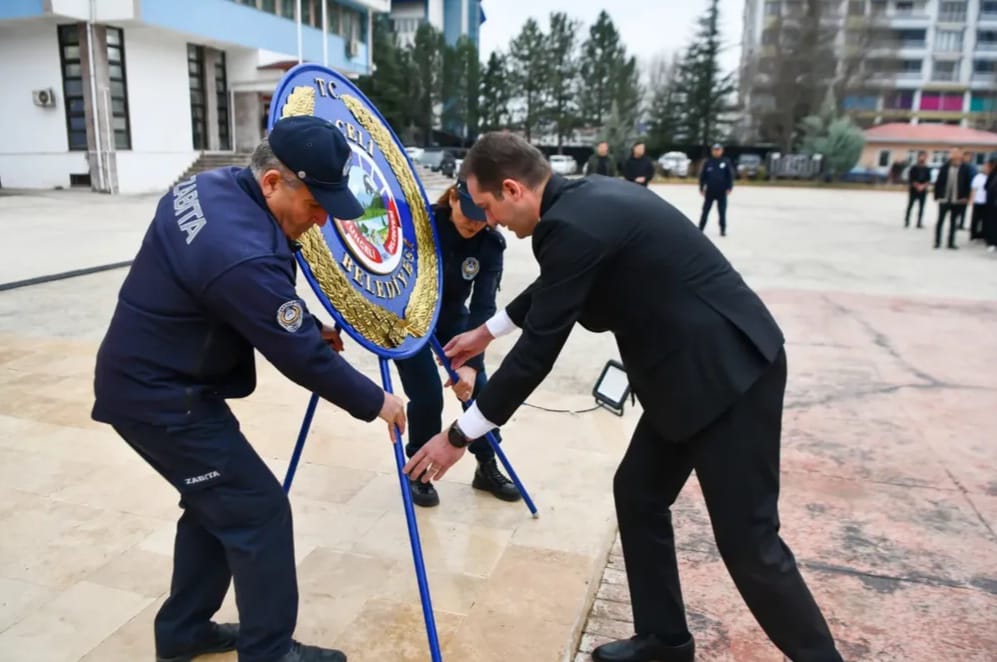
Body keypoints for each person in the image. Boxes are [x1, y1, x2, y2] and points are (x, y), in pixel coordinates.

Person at [402, 132, 844, 662]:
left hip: (729, 376)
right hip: (682, 378)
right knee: (638, 491)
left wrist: (460, 436)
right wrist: (486, 332)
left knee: (751, 545)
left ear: (513, 189)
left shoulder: (571, 225)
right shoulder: (584, 200)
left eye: (488, 205)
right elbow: (559, 283)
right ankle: (664, 640)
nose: (489, 219)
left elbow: (537, 356)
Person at [91, 115, 407, 662]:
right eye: (314, 206)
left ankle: (184, 632)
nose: (320, 220)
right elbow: (298, 356)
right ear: (271, 182)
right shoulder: (243, 253)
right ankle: (270, 652)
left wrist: (304, 324)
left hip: (153, 380)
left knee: (215, 506)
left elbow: (251, 303)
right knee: (258, 513)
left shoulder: (208, 188)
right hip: (161, 400)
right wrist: (378, 402)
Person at [394, 179, 520, 507]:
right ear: (453, 197)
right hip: (409, 319)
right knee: (427, 393)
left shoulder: (490, 244)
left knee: (480, 389)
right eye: (469, 212)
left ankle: (486, 464)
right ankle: (418, 470)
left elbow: (484, 305)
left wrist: (470, 363)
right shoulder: (420, 224)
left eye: (483, 216)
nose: (475, 222)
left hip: (453, 320)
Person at [932, 147, 973, 250]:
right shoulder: (944, 167)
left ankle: (951, 242)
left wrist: (966, 197)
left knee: (953, 222)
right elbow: (938, 183)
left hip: (957, 200)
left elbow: (968, 184)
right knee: (940, 221)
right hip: (944, 199)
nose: (956, 158)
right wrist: (937, 196)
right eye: (954, 155)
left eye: (958, 156)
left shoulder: (965, 168)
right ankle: (937, 242)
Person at [698, 143, 734, 236]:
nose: (716, 151)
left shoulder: (726, 162)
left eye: (718, 150)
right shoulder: (708, 162)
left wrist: (729, 188)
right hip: (710, 191)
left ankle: (722, 229)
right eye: (715, 150)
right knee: (705, 210)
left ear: (721, 151)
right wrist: (701, 187)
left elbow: (730, 176)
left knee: (722, 211)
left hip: (721, 191)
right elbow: (703, 176)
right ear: (712, 151)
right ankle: (700, 228)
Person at [904, 151, 931, 229]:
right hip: (914, 189)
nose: (923, 158)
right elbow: (911, 179)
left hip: (923, 190)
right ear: (918, 157)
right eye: (921, 156)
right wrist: (917, 186)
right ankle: (907, 221)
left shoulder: (927, 168)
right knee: (910, 205)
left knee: (921, 207)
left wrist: (923, 186)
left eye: (924, 156)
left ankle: (919, 222)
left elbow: (928, 180)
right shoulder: (914, 167)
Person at [970, 159, 990, 241]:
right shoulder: (978, 177)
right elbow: (973, 189)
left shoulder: (991, 177)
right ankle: (973, 234)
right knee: (975, 219)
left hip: (987, 202)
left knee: (985, 219)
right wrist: (972, 200)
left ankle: (983, 234)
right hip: (978, 201)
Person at [983, 155, 997, 253]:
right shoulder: (993, 174)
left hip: (992, 203)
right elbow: (986, 187)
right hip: (991, 204)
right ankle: (991, 242)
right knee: (992, 223)